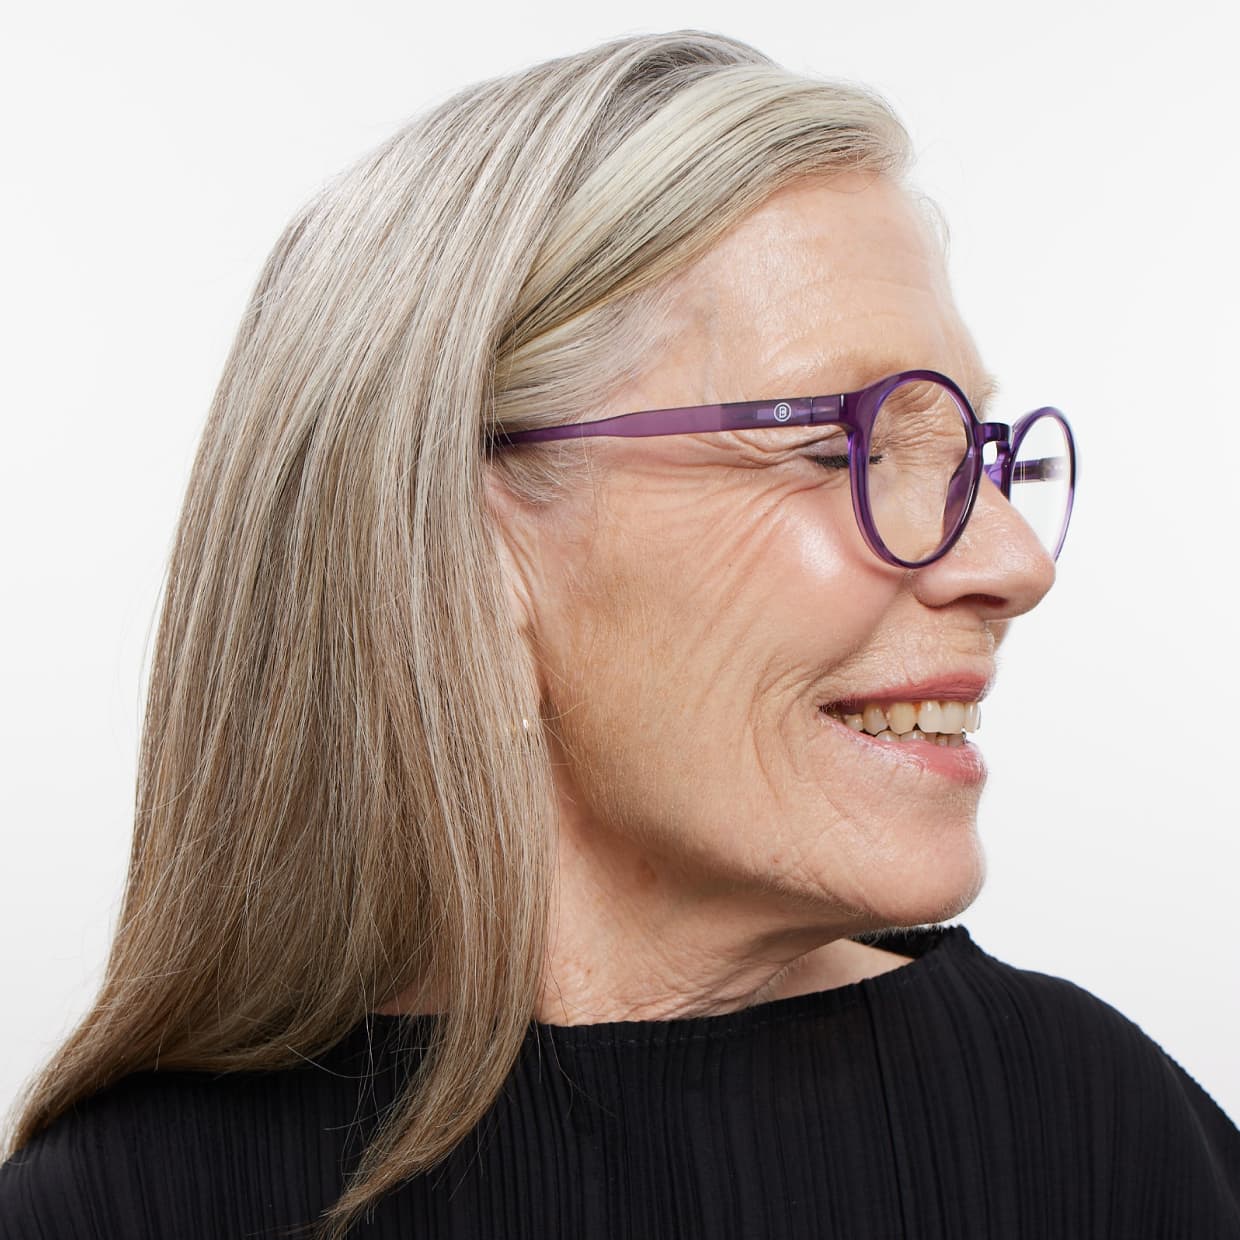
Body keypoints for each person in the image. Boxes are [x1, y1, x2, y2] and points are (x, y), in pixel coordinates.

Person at [1, 28, 1236, 1240]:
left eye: (972, 455)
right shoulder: (115, 1210)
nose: (1012, 563)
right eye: (835, 449)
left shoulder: (1094, 1135)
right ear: (463, 542)